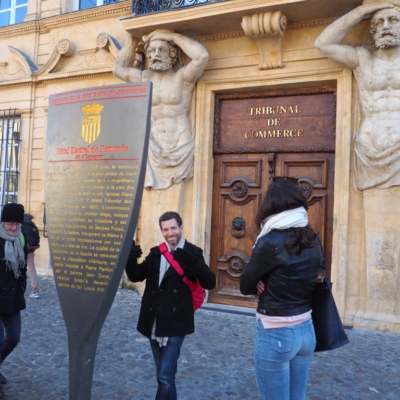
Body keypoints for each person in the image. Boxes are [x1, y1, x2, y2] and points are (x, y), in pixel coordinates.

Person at [240, 178, 321, 400]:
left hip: (276, 331)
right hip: (306, 329)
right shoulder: (313, 238)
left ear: (271, 205)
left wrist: (260, 276)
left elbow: (245, 285)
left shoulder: (270, 241)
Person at [125, 211, 216, 400]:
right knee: (166, 376)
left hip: (176, 323)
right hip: (154, 321)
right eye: (165, 229)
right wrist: (129, 258)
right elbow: (135, 276)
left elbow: (209, 282)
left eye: (173, 228)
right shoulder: (157, 253)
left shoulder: (193, 252)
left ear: (181, 227)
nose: (170, 233)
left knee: (164, 376)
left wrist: (193, 262)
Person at [315, 1, 400, 190]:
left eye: (393, 20)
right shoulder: (363, 59)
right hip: (369, 145)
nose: (385, 26)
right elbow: (323, 43)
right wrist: (361, 11)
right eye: (379, 22)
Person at [113, 29, 208, 190]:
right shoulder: (144, 79)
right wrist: (133, 40)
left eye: (162, 50)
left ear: (172, 55)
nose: (156, 54)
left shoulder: (182, 78)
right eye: (151, 51)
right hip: (154, 147)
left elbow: (201, 57)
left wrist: (173, 37)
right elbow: (117, 69)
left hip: (181, 144)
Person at [0, 203, 27, 400]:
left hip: (11, 300)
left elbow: (22, 269)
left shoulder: (20, 239)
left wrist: (21, 289)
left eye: (17, 223)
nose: (14, 228)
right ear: (3, 222)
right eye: (10, 223)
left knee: (14, 338)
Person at [21, 213, 40, 299]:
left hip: (21, 251)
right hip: (31, 250)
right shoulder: (33, 225)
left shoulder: (21, 224)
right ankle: (35, 291)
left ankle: (19, 289)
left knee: (19, 270)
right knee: (32, 270)